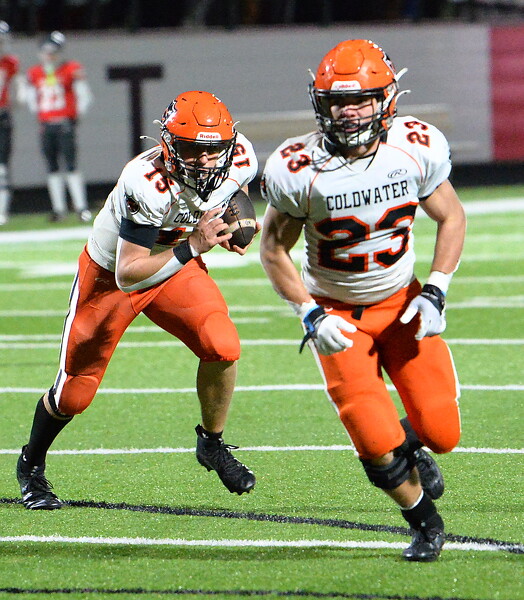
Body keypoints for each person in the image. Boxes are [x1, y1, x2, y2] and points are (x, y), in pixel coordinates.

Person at [259, 39, 466, 562]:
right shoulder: (297, 166)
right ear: (320, 104)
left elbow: (451, 216)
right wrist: (309, 313)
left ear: (386, 99)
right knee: (373, 442)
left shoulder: (414, 146)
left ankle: (408, 444)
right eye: (337, 101)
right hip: (337, 317)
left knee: (442, 431)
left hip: (402, 304)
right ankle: (425, 522)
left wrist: (437, 289)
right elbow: (273, 249)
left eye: (361, 99)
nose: (348, 111)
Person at [16, 90, 258, 509]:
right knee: (74, 394)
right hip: (113, 276)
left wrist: (235, 220)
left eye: (212, 150)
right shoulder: (145, 182)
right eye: (191, 149)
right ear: (168, 144)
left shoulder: (239, 156)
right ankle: (30, 464)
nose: (203, 160)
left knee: (222, 344)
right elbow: (129, 274)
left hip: (175, 264)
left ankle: (212, 443)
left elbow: (235, 188)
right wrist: (195, 245)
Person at [26, 30, 93, 222]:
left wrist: (74, 116)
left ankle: (81, 207)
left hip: (64, 123)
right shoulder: (35, 73)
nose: (49, 56)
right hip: (47, 124)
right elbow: (31, 100)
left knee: (71, 165)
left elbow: (84, 96)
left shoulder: (70, 69)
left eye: (53, 52)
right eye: (46, 52)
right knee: (52, 167)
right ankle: (59, 209)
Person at [0, 21, 23, 226]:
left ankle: (2, 212)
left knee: (2, 167)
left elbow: (17, 94)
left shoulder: (10, 63)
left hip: (2, 116)